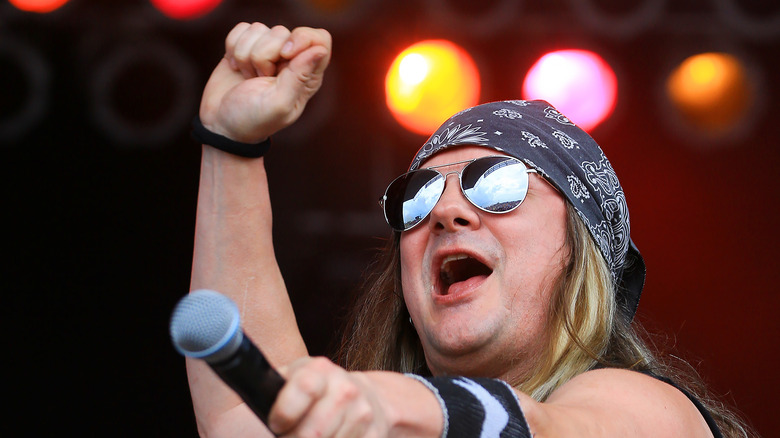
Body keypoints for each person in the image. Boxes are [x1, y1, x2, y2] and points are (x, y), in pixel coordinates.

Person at [186, 22, 753, 437]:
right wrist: (229, 144)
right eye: (418, 196)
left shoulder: (645, 409)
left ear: (581, 254)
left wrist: (391, 403)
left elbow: (547, 429)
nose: (445, 213)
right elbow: (245, 416)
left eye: (498, 185)